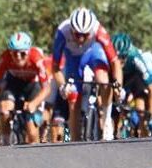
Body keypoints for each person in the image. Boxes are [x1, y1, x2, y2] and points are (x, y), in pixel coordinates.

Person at [51, 7, 122, 141]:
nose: (82, 39)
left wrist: (118, 85)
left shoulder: (98, 30)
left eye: (86, 35)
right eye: (77, 34)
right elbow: (55, 67)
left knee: (103, 79)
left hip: (92, 53)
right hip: (73, 58)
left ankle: (106, 120)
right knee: (73, 100)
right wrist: (62, 86)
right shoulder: (62, 31)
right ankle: (76, 142)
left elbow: (115, 63)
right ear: (71, 29)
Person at [0, 31, 50, 144]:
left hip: (32, 86)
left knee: (31, 132)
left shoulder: (36, 59)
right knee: (5, 109)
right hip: (13, 84)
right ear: (10, 52)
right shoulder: (5, 58)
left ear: (28, 51)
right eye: (14, 54)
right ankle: (5, 142)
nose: (18, 57)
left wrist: (34, 103)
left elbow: (46, 88)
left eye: (22, 54)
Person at [113, 33, 152, 136]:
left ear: (128, 53)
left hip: (133, 76)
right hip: (115, 75)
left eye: (123, 57)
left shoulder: (135, 57)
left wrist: (151, 115)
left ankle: (143, 126)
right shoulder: (109, 56)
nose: (120, 60)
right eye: (118, 57)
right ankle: (113, 129)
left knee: (140, 99)